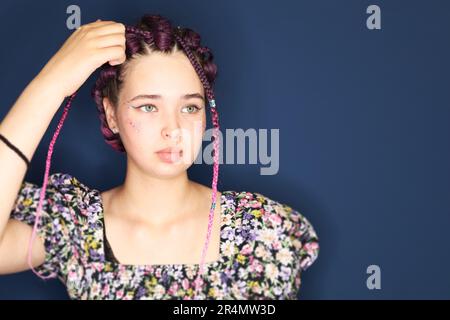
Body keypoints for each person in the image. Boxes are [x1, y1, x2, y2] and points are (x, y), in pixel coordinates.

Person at [0, 14, 319, 299]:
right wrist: (51, 82)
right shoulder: (75, 225)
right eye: (149, 106)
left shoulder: (265, 229)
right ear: (112, 116)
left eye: (189, 107)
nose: (173, 129)